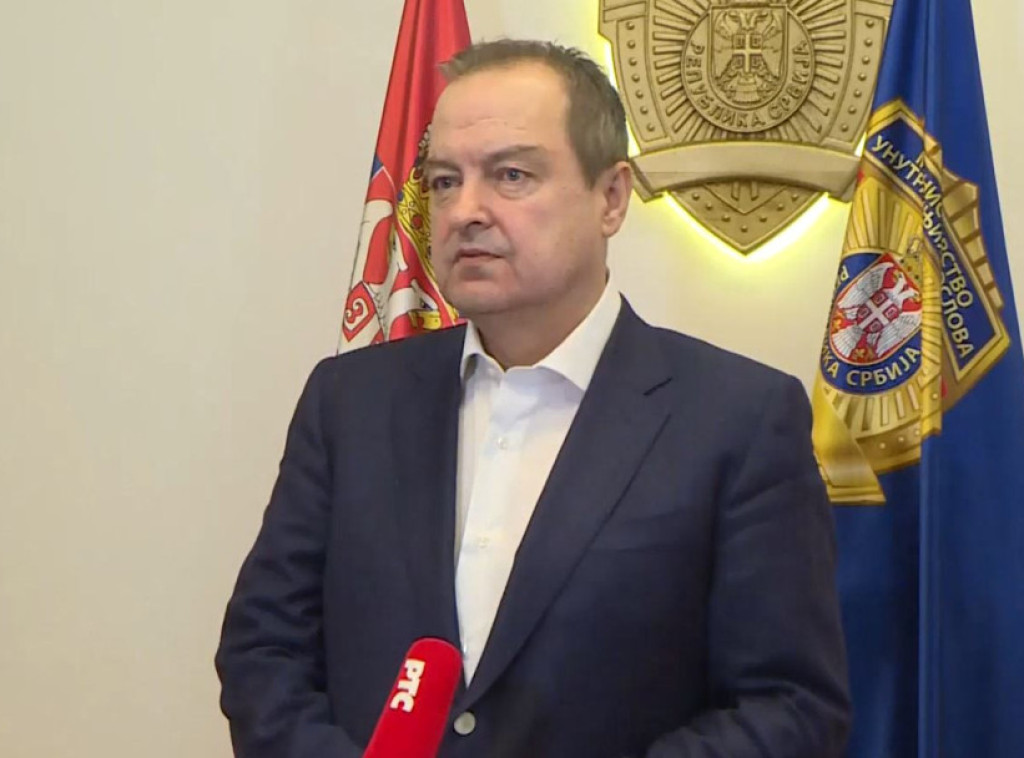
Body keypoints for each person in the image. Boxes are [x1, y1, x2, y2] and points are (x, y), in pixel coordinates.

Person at [216, 40, 851, 758]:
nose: (465, 211)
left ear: (611, 198)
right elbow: (264, 652)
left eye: (511, 175)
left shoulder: (738, 418)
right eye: (445, 180)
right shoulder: (349, 403)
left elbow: (788, 707)